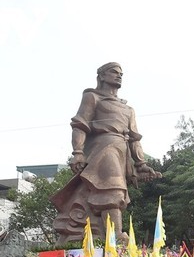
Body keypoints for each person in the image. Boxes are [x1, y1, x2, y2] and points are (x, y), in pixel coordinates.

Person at [53, 62, 160, 244]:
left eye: (121, 74)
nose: (119, 76)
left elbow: (134, 138)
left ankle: (104, 234)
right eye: (114, 72)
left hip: (122, 151)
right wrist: (78, 152)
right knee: (112, 191)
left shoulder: (128, 109)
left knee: (116, 195)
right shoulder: (92, 97)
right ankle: (115, 236)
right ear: (102, 76)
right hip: (103, 148)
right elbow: (80, 125)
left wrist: (141, 164)